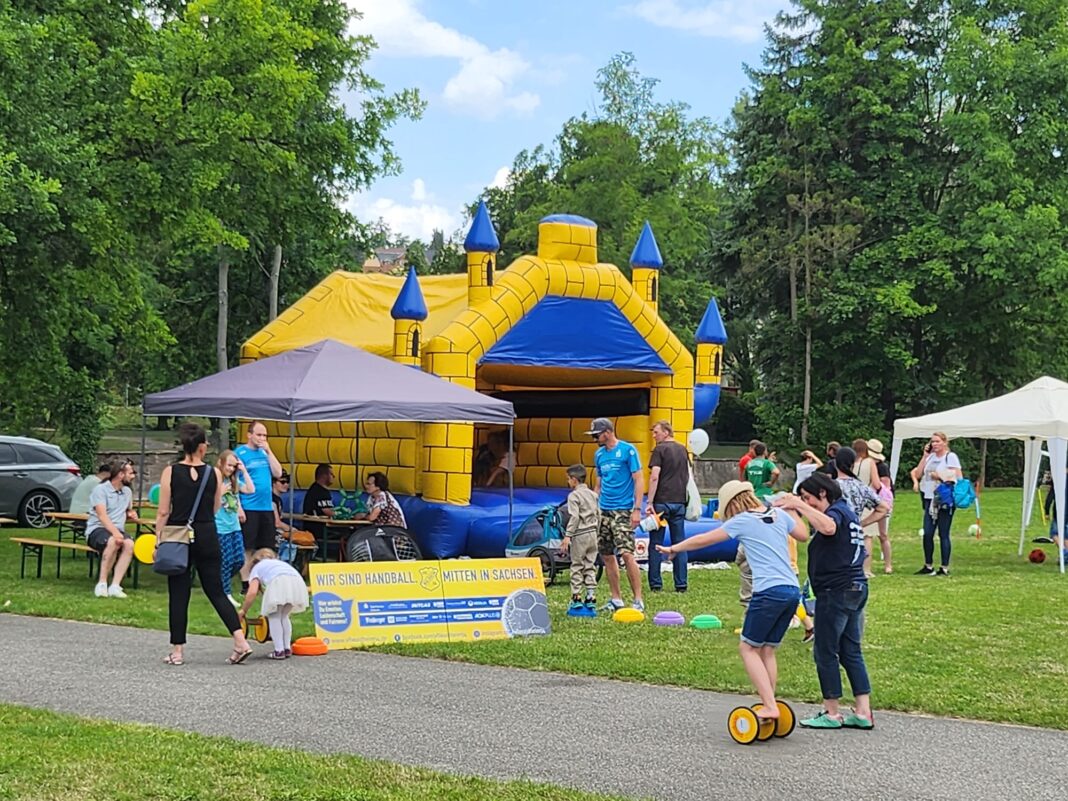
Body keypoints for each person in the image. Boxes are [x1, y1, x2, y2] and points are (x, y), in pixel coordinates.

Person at [659, 480, 807, 723]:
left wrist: (675, 547)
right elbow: (803, 535)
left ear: (731, 505)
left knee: (747, 648)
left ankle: (770, 706)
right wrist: (792, 508)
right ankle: (770, 702)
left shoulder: (743, 521)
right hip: (791, 590)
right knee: (767, 650)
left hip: (767, 591)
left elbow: (704, 539)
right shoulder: (779, 515)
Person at [775, 473, 875, 729]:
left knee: (825, 650)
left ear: (822, 493)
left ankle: (831, 712)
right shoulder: (848, 513)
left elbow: (828, 527)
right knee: (850, 650)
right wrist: (796, 508)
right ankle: (863, 711)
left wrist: (798, 505)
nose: (806, 502)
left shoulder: (837, 512)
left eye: (808, 497)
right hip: (855, 587)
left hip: (837, 590)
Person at [156, 422, 252, 666]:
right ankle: (240, 641)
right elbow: (216, 506)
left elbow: (164, 510)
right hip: (208, 532)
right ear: (202, 447)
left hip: (178, 534)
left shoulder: (170, 472)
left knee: (179, 592)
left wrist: (159, 538)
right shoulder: (214, 473)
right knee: (216, 590)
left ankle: (177, 651)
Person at [587, 417, 645, 612]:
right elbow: (599, 483)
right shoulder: (599, 455)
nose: (594, 439)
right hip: (604, 510)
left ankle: (638, 599)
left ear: (607, 432)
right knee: (606, 554)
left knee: (627, 553)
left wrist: (637, 509)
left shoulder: (628, 451)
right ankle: (616, 598)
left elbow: (638, 479)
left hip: (623, 509)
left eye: (596, 435)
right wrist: (592, 505)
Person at [235, 421, 283, 593]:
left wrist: (269, 451)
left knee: (267, 547)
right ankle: (246, 583)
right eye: (259, 434)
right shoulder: (240, 453)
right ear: (249, 435)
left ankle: (265, 580)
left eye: (264, 435)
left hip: (266, 507)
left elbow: (278, 473)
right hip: (249, 506)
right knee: (248, 547)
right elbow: (234, 481)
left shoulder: (264, 453)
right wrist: (238, 507)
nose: (262, 438)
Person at [238, 548, 309, 659]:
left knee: (274, 616)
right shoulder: (279, 564)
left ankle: (279, 650)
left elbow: (252, 592)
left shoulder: (257, 568)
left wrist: (244, 610)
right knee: (284, 616)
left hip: (279, 581)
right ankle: (287, 648)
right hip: (296, 581)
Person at [909, 432, 963, 575]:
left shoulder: (950, 457)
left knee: (943, 533)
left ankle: (944, 567)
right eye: (932, 441)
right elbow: (918, 473)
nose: (934, 444)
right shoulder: (930, 457)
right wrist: (925, 456)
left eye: (938, 441)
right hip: (929, 497)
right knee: (928, 533)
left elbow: (958, 477)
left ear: (945, 442)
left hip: (944, 498)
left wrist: (939, 476)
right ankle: (928, 565)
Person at [645, 420, 690, 593]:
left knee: (656, 543)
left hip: (662, 501)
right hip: (679, 501)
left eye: (656, 432)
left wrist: (650, 501)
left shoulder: (660, 450)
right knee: (680, 543)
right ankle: (681, 583)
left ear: (666, 432)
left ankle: (656, 583)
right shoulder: (683, 449)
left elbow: (654, 476)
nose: (654, 435)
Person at [85, 459, 138, 598]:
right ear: (121, 474)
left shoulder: (127, 492)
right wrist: (115, 533)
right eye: (130, 473)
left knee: (129, 544)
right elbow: (102, 516)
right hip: (98, 529)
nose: (133, 476)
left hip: (117, 529)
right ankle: (102, 583)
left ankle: (115, 585)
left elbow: (127, 509)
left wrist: (130, 513)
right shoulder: (100, 490)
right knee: (114, 541)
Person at [831, 447, 889, 566]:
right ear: (853, 464)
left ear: (835, 464)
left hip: (834, 535)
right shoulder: (861, 487)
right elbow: (883, 508)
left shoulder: (830, 486)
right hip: (853, 535)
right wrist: (861, 523)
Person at [215, 450, 255, 607]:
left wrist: (244, 471)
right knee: (226, 560)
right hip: (220, 526)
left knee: (239, 559)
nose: (231, 469)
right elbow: (208, 502)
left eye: (234, 466)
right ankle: (225, 592)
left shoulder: (233, 481)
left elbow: (251, 490)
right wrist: (220, 493)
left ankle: (219, 581)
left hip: (234, 526)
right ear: (221, 463)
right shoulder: (215, 479)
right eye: (229, 465)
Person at [562, 464, 599, 613]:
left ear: (574, 479)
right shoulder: (593, 495)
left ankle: (576, 596)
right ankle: (591, 596)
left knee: (577, 565)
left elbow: (575, 516)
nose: (568, 482)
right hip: (593, 533)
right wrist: (597, 531)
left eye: (568, 479)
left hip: (580, 534)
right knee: (590, 564)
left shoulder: (574, 496)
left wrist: (568, 535)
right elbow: (598, 514)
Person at [866, 438, 894, 574]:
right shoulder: (865, 465)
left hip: (880, 502)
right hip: (869, 502)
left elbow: (885, 488)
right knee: (868, 535)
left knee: (882, 535)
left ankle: (888, 564)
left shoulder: (882, 467)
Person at [302, 463, 336, 541]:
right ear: (324, 476)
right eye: (331, 474)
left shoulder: (321, 490)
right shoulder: (318, 492)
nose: (333, 476)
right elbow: (327, 511)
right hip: (318, 530)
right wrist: (342, 515)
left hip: (322, 528)